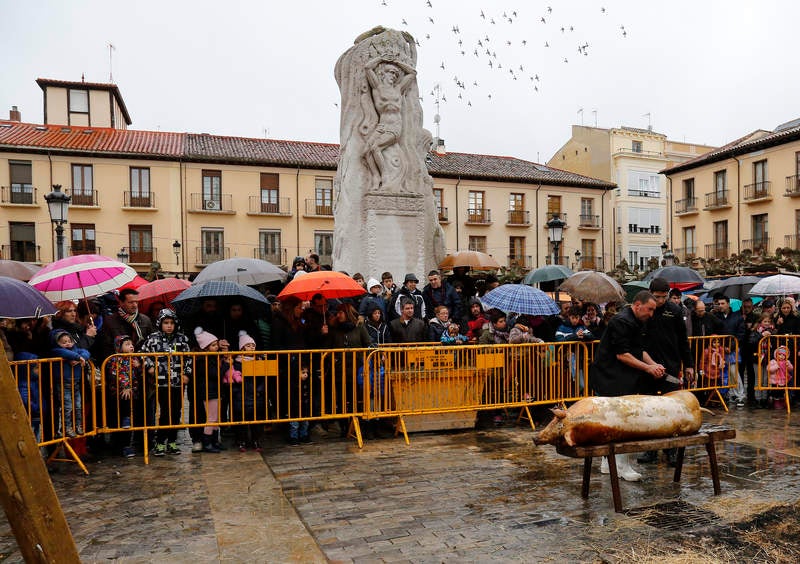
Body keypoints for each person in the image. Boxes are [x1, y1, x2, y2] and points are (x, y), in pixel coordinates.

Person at [588, 291, 665, 481]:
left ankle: (609, 463)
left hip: (622, 378)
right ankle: (621, 466)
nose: (652, 314)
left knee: (616, 421)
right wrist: (648, 368)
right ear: (637, 305)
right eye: (650, 309)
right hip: (610, 378)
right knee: (621, 423)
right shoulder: (621, 321)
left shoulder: (638, 321)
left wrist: (653, 364)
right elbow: (622, 355)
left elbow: (639, 351)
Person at [638, 278, 694, 465]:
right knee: (649, 409)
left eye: (663, 297)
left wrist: (689, 364)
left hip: (671, 364)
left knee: (671, 409)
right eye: (656, 297)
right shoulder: (645, 310)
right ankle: (650, 450)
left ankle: (671, 450)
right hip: (647, 365)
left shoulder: (675, 311)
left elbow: (683, 340)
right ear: (650, 293)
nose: (660, 301)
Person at [139, 309, 192, 456]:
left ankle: (172, 441)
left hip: (178, 382)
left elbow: (189, 357)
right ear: (160, 323)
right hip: (161, 382)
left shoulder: (182, 339)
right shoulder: (152, 338)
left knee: (176, 411)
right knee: (164, 412)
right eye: (166, 323)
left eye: (172, 323)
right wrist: (150, 367)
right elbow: (142, 353)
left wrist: (186, 373)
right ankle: (160, 442)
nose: (169, 326)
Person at [363, 56, 416, 190]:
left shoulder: (398, 88)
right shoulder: (377, 87)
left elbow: (412, 73)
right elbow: (368, 67)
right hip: (381, 126)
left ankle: (384, 176)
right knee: (366, 151)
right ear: (383, 74)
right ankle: (376, 176)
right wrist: (381, 58)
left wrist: (396, 62)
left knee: (375, 147)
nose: (394, 76)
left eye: (396, 74)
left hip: (395, 126)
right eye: (391, 72)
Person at [49, 328, 91, 438]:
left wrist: (80, 358)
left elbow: (86, 352)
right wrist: (77, 357)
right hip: (63, 383)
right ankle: (67, 427)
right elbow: (63, 352)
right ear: (56, 343)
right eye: (63, 342)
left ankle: (78, 425)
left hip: (76, 383)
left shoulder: (76, 350)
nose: (67, 344)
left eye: (69, 341)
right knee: (67, 407)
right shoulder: (56, 351)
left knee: (78, 406)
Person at [191, 327, 227, 453]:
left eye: (216, 344)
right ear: (205, 348)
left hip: (214, 390)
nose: (217, 347)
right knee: (211, 417)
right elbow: (216, 374)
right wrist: (226, 365)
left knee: (216, 418)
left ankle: (215, 441)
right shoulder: (204, 360)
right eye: (213, 345)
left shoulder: (212, 358)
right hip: (209, 391)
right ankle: (207, 442)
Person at [228, 331, 264, 451]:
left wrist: (260, 390)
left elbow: (263, 379)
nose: (252, 348)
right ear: (242, 348)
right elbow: (232, 378)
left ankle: (255, 441)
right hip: (241, 396)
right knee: (240, 420)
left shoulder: (259, 361)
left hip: (255, 396)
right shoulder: (236, 363)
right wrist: (236, 392)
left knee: (256, 421)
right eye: (248, 345)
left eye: (253, 345)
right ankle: (241, 441)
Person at [107, 335, 143, 458]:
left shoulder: (134, 359)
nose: (131, 346)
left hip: (133, 394)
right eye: (127, 344)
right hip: (117, 395)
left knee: (128, 425)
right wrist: (125, 386)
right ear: (119, 347)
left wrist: (138, 367)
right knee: (116, 422)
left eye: (131, 344)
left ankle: (127, 445)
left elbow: (138, 375)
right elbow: (117, 374)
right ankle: (117, 446)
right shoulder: (115, 359)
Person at [713, 293, 746, 405]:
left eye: (723, 303)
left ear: (728, 304)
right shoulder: (716, 316)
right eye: (719, 304)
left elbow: (741, 333)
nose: (720, 305)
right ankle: (729, 394)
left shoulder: (737, 317)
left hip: (733, 348)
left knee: (733, 372)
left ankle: (740, 395)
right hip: (719, 349)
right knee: (723, 372)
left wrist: (731, 346)